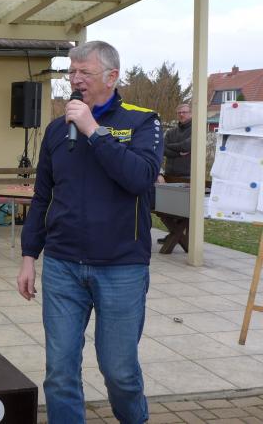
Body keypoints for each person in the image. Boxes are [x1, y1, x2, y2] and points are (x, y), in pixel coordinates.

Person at [16, 41, 162, 423]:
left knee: (119, 372)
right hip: (63, 265)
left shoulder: (142, 122)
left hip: (121, 267)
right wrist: (29, 256)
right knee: (60, 372)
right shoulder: (56, 130)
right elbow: (43, 197)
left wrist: (94, 131)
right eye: (72, 72)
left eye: (85, 72)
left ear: (112, 77)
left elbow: (140, 178)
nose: (75, 79)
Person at [156, 103, 192, 243]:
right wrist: (179, 152)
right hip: (170, 175)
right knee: (167, 209)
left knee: (182, 211)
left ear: (191, 113)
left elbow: (187, 146)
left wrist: (173, 148)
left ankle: (177, 236)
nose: (181, 114)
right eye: (179, 112)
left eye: (184, 112)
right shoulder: (171, 132)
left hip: (187, 175)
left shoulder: (196, 129)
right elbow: (163, 148)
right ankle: (175, 234)